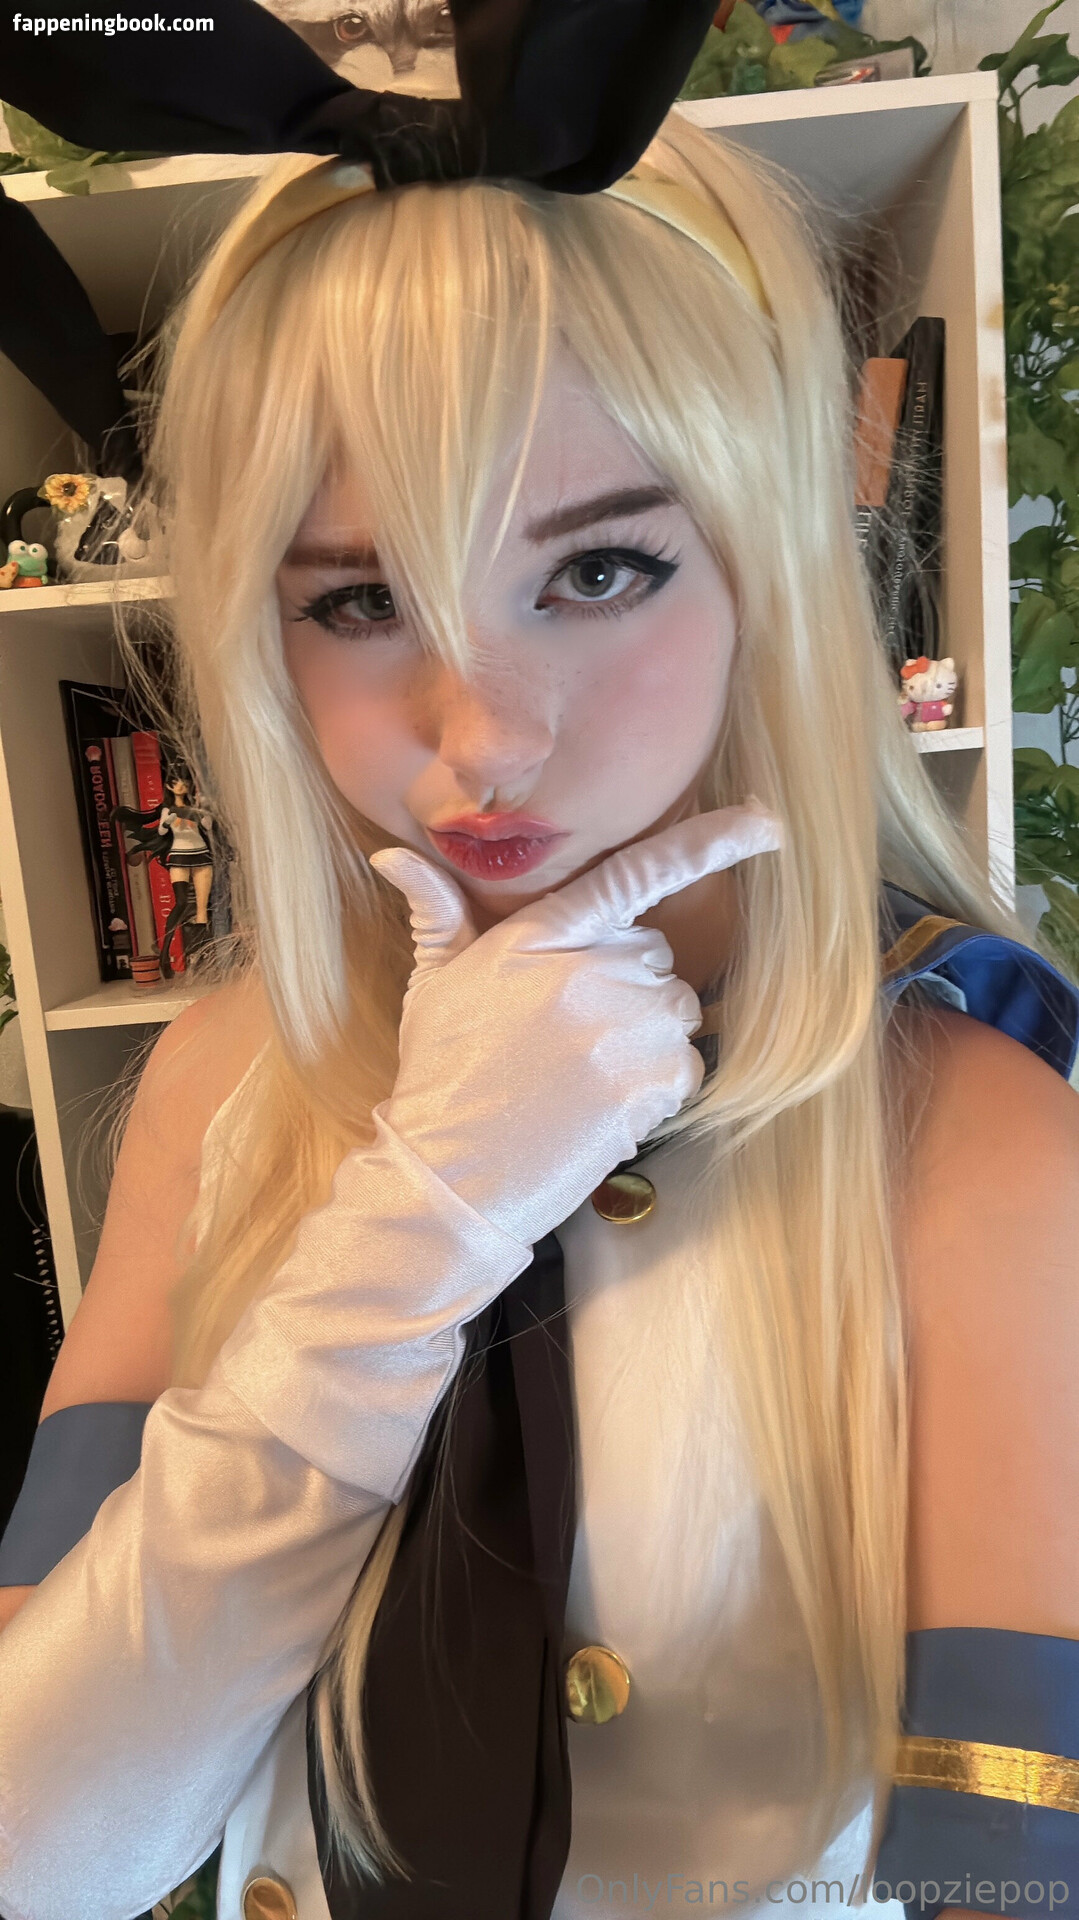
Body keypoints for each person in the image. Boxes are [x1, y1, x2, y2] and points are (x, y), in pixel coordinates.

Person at [0, 105, 1077, 1920]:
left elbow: (1014, 1883)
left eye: (596, 571)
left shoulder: (971, 1136)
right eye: (360, 598)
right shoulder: (224, 1082)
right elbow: (37, 1850)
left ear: (764, 558)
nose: (483, 735)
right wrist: (429, 1208)